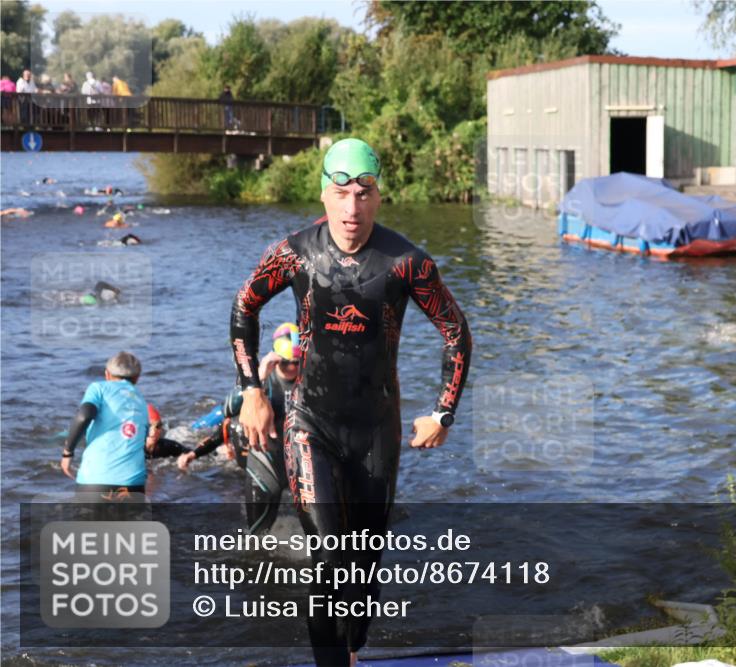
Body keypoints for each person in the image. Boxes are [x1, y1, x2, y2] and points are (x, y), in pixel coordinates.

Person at [232, 138, 473, 667]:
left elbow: (455, 332)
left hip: (375, 430)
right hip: (309, 422)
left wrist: (442, 413)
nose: (352, 207)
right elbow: (244, 307)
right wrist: (253, 390)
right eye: (341, 192)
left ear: (379, 195)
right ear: (323, 194)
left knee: (361, 569)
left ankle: (353, 646)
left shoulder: (407, 262)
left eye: (363, 192)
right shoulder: (294, 253)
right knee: (327, 559)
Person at [179, 323, 301, 533]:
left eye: (297, 362)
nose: (291, 367)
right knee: (257, 537)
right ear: (275, 358)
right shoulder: (260, 379)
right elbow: (228, 409)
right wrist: (259, 377)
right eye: (285, 362)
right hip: (265, 463)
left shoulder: (310, 379)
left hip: (300, 463)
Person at [60, 352, 149, 500]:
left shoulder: (98, 388)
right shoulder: (141, 401)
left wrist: (67, 453)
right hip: (134, 485)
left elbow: (84, 415)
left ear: (107, 374)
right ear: (137, 378)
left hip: (94, 482)